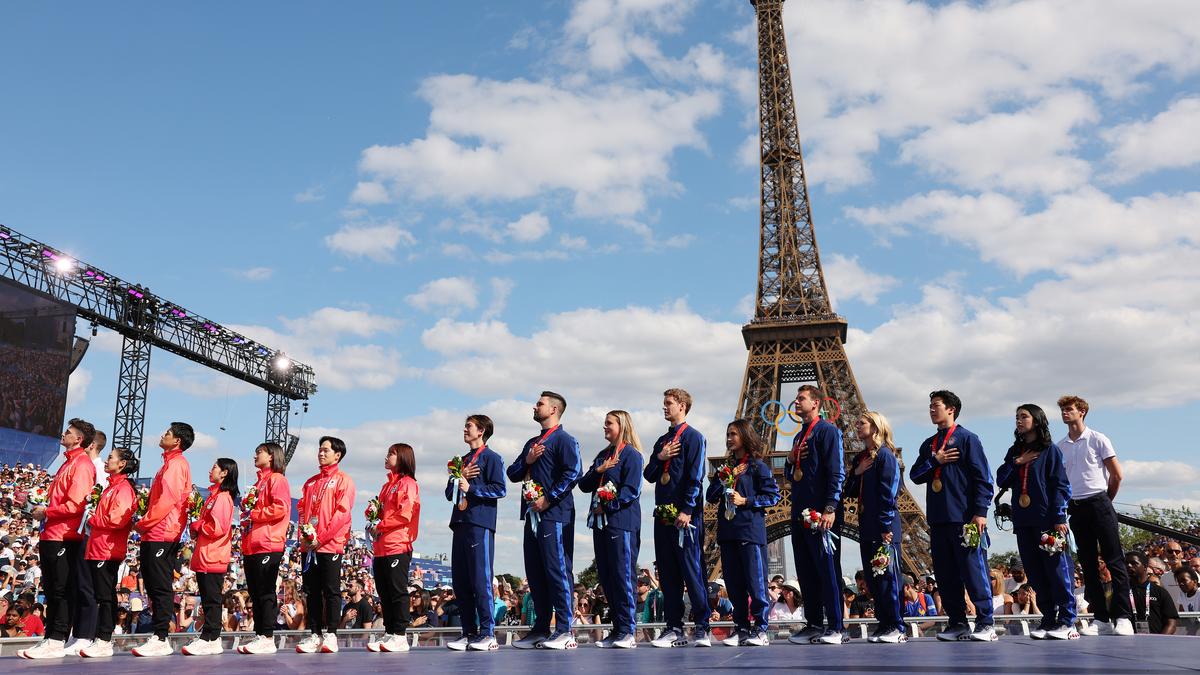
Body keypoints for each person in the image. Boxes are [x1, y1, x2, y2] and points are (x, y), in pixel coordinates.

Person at [909, 391, 996, 641]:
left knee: (974, 571)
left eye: (936, 405)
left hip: (965, 518)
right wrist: (935, 461)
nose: (931, 410)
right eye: (930, 406)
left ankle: (985, 622)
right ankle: (957, 622)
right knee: (946, 575)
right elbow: (915, 475)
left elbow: (984, 478)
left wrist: (980, 512)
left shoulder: (968, 439)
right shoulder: (929, 445)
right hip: (938, 519)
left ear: (951, 409)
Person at [506, 392, 582, 650]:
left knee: (557, 570)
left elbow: (573, 473)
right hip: (532, 516)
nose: (535, 407)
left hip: (554, 515)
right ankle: (540, 628)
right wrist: (527, 460)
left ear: (554, 409)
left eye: (539, 404)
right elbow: (512, 473)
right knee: (535, 573)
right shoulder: (532, 442)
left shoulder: (564, 440)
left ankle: (565, 629)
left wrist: (548, 499)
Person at [995, 404, 1077, 640]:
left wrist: (1060, 516)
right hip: (1023, 520)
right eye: (1017, 417)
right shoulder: (1015, 451)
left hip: (1046, 520)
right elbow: (1001, 478)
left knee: (1057, 571)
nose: (1019, 421)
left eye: (1024, 416)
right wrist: (1017, 461)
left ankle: (1067, 620)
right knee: (1035, 572)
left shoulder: (1050, 450)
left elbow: (1061, 485)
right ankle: (1049, 618)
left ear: (1037, 420)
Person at [19, 418, 98, 660]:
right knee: (52, 587)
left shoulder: (82, 465)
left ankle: (57, 638)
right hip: (51, 532)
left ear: (79, 439)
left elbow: (76, 504)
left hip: (65, 535)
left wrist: (47, 511)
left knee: (61, 589)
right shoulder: (67, 464)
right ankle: (51, 637)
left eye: (69, 432)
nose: (63, 434)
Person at [1056, 395, 1134, 636]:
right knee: (1088, 564)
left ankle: (1123, 616)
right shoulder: (1060, 446)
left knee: (1114, 560)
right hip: (1076, 506)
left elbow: (1117, 475)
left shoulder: (1098, 439)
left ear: (1082, 412)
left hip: (1099, 501)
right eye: (1063, 410)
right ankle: (1101, 618)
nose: (1065, 413)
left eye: (1069, 409)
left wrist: (1105, 501)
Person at [644, 388, 711, 648]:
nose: (665, 407)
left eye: (669, 403)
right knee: (668, 574)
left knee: (692, 571)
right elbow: (649, 474)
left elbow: (696, 476)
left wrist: (687, 509)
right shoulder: (662, 440)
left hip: (686, 517)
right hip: (663, 515)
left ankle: (702, 626)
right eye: (664, 403)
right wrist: (661, 458)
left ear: (682, 406)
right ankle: (674, 627)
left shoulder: (694, 438)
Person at [705, 418, 780, 647]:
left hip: (749, 531)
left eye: (733, 434)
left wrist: (746, 500)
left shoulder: (758, 467)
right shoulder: (726, 469)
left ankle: (761, 628)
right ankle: (742, 628)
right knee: (735, 585)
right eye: (727, 434)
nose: (729, 439)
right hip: (728, 532)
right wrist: (725, 478)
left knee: (755, 583)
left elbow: (774, 496)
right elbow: (710, 496)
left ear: (745, 436)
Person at [783, 385, 847, 646]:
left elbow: (836, 470)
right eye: (796, 398)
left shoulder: (828, 431)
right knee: (806, 572)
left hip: (821, 514)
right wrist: (789, 459)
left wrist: (830, 507)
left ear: (817, 403)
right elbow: (790, 477)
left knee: (827, 570)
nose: (796, 402)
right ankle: (813, 624)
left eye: (801, 399)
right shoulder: (799, 437)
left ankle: (836, 626)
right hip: (800, 513)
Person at [578, 410, 644, 649]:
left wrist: (609, 505)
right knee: (606, 577)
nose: (604, 427)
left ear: (622, 425)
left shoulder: (632, 455)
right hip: (601, 523)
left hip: (622, 522)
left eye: (609, 423)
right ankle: (617, 629)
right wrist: (599, 469)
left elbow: (632, 490)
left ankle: (627, 630)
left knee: (623, 575)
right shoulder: (602, 456)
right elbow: (584, 485)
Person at [130, 422, 194, 657]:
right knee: (154, 584)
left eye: (167, 433)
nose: (162, 434)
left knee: (159, 585)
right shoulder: (169, 464)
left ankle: (161, 636)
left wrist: (144, 522)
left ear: (177, 441)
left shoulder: (176, 465)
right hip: (156, 530)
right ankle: (159, 635)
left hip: (162, 531)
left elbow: (167, 501)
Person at [445, 415, 507, 653]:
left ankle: (487, 633)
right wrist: (457, 480)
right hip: (459, 522)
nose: (464, 429)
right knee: (461, 581)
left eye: (469, 426)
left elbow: (499, 488)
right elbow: (449, 492)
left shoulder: (492, 458)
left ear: (481, 431)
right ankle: (468, 632)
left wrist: (472, 488)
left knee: (481, 579)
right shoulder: (461, 461)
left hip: (479, 523)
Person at [845, 411, 906, 644]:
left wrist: (884, 524)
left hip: (884, 528)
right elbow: (849, 491)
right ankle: (884, 623)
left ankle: (897, 625)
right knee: (873, 579)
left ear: (875, 426)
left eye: (861, 423)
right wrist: (857, 473)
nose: (857, 426)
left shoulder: (885, 456)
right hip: (867, 526)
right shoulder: (861, 458)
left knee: (889, 578)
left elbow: (890, 493)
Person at [295, 436, 356, 654]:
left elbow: (342, 514)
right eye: (319, 449)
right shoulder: (311, 482)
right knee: (311, 591)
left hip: (329, 544)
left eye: (326, 450)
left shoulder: (343, 480)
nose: (321, 453)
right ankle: (314, 634)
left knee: (331, 591)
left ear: (337, 455)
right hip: (310, 545)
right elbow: (302, 510)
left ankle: (331, 634)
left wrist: (322, 537)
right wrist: (305, 535)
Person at [79, 448, 139, 658]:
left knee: (105, 596)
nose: (107, 461)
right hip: (99, 547)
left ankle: (104, 639)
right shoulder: (111, 487)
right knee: (101, 595)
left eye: (111, 458)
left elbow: (118, 519)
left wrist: (93, 520)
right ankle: (100, 637)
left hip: (107, 549)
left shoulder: (123, 488)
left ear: (122, 464)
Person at [237, 442, 291, 655]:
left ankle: (267, 636)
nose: (255, 455)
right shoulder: (258, 483)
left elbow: (280, 507)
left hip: (268, 543)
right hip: (253, 544)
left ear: (271, 456)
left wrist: (254, 513)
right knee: (256, 592)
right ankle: (260, 635)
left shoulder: (277, 479)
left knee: (265, 591)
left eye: (259, 452)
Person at [181, 458, 238, 655]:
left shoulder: (222, 497)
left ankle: (212, 637)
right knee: (207, 599)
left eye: (214, 467)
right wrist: (197, 527)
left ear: (224, 473)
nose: (210, 470)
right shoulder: (214, 496)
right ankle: (209, 636)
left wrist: (199, 526)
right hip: (206, 553)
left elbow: (219, 528)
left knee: (212, 600)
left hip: (213, 555)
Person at [367, 443, 420, 654]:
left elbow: (404, 514)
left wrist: (379, 524)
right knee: (384, 591)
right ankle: (390, 632)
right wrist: (372, 514)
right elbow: (382, 512)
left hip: (398, 544)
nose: (386, 456)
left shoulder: (408, 484)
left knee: (397, 591)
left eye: (391, 454)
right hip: (381, 546)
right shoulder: (387, 486)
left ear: (403, 458)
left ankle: (400, 634)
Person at [66, 429, 106, 656]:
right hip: (79, 532)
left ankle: (85, 635)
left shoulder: (99, 470)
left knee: (85, 586)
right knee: (75, 584)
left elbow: (97, 501)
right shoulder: (84, 466)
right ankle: (77, 633)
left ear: (91, 445)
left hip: (89, 533)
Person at [1125, 551, 1177, 635]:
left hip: (1156, 644)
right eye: (1126, 563)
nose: (1129, 566)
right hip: (1128, 644)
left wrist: (1159, 641)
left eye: (1134, 563)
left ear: (1145, 566)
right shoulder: (1122, 592)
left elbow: (1171, 624)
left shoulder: (1160, 592)